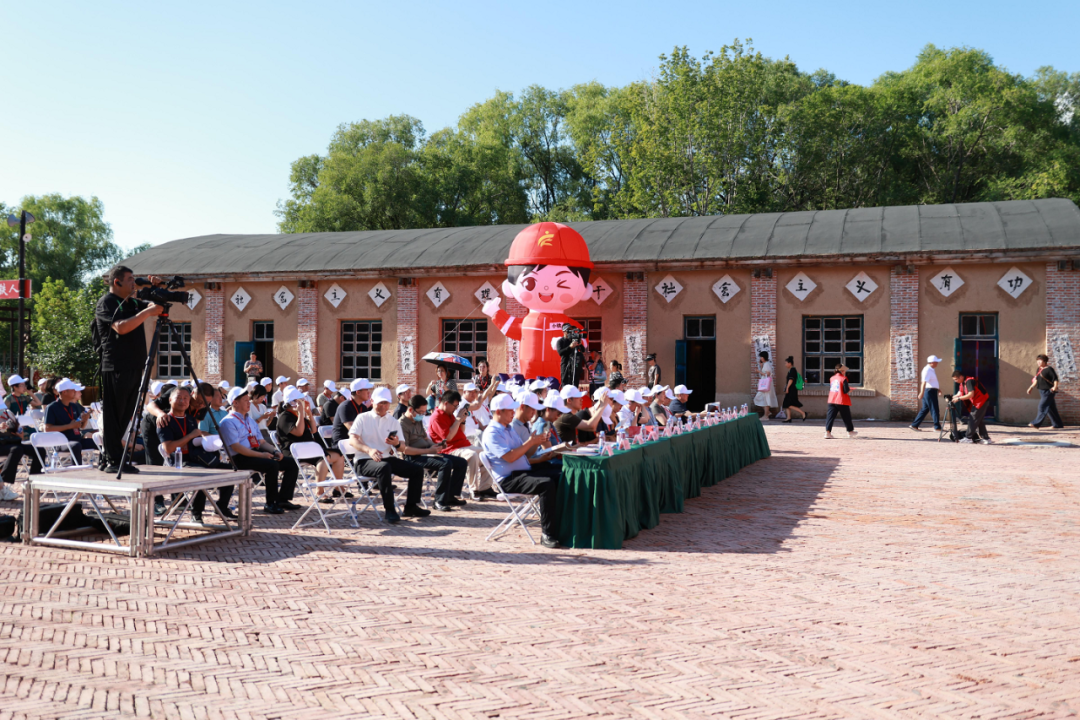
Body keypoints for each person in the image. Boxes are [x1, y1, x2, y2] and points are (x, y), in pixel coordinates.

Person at [92, 266, 167, 473]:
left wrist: (156, 289)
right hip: (116, 365)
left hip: (135, 365)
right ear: (117, 282)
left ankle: (111, 456)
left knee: (126, 414)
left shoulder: (132, 302)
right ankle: (113, 459)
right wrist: (147, 311)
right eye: (130, 279)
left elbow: (156, 307)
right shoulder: (107, 303)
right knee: (114, 414)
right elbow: (121, 327)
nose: (134, 283)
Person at [480, 394, 562, 548]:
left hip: (522, 473)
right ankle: (547, 534)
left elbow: (524, 454)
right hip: (508, 479)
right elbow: (510, 457)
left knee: (559, 474)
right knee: (546, 484)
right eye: (510, 409)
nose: (513, 412)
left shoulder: (508, 428)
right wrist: (531, 442)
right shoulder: (492, 433)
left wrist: (538, 441)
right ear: (499, 411)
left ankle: (562, 524)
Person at [347, 387, 429, 523]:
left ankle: (411, 506)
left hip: (386, 458)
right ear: (372, 401)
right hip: (364, 460)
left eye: (386, 403)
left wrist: (396, 443)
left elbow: (402, 447)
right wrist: (369, 450)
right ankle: (390, 509)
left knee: (417, 469)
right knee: (384, 467)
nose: (384, 406)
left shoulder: (393, 421)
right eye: (381, 403)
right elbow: (352, 439)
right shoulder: (362, 418)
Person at [157, 385, 231, 523]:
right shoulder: (165, 420)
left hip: (195, 458)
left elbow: (193, 440)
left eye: (186, 398)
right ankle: (196, 515)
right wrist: (191, 436)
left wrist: (207, 442)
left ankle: (222, 507)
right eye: (179, 398)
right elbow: (168, 448)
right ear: (170, 400)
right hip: (179, 462)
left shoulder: (191, 419)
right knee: (202, 474)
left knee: (230, 471)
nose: (183, 401)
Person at [220, 386, 299, 514]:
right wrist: (261, 455)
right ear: (235, 402)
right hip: (239, 458)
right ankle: (270, 503)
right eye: (245, 400)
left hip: (255, 453)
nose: (249, 403)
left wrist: (275, 451)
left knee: (290, 463)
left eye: (248, 400)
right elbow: (237, 447)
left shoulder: (250, 420)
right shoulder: (228, 422)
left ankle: (283, 499)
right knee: (272, 465)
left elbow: (261, 442)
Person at [399, 394, 468, 511]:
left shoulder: (417, 420)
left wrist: (436, 445)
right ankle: (439, 500)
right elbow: (405, 449)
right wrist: (428, 450)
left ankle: (450, 495)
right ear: (410, 409)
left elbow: (425, 438)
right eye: (420, 412)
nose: (422, 415)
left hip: (427, 452)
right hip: (413, 457)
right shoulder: (401, 423)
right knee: (445, 464)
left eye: (424, 412)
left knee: (461, 462)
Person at [276, 386, 345, 500]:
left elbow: (313, 430)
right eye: (300, 401)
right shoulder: (285, 417)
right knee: (323, 458)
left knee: (338, 456)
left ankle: (338, 488)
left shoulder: (299, 415)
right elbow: (298, 432)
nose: (304, 402)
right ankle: (320, 492)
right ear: (293, 403)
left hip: (308, 449)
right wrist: (301, 413)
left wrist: (308, 414)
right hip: (294, 451)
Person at [428, 390, 495, 498]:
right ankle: (474, 490)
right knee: (471, 455)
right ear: (446, 403)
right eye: (454, 406)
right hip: (449, 449)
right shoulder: (436, 417)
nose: (456, 409)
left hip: (463, 445)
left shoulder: (449, 414)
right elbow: (448, 437)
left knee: (487, 453)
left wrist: (462, 421)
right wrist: (458, 419)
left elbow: (461, 431)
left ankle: (485, 487)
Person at [43, 378, 97, 464]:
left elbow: (80, 426)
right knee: (76, 445)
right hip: (61, 443)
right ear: (64, 392)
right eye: (72, 390)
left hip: (77, 439)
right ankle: (76, 470)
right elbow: (47, 429)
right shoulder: (52, 407)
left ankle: (105, 464)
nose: (75, 391)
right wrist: (69, 426)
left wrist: (84, 420)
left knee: (101, 441)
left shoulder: (73, 406)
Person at [952, 370, 992, 444]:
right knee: (979, 420)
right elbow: (960, 393)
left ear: (961, 377)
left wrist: (958, 399)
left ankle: (968, 438)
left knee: (972, 418)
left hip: (981, 401)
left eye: (956, 379)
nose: (955, 381)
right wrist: (952, 397)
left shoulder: (969, 381)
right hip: (978, 401)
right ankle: (986, 439)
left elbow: (971, 394)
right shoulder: (962, 383)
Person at [1026, 354, 1064, 429]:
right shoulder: (1039, 369)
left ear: (1045, 361)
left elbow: (1055, 379)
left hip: (1049, 391)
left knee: (1042, 406)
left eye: (1040, 360)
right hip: (1042, 391)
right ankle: (1057, 424)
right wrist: (1031, 387)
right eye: (1037, 361)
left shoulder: (1049, 369)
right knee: (1051, 408)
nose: (1038, 362)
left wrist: (1055, 387)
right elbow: (1036, 380)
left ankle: (1036, 423)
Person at [332, 378, 373, 447]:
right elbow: (353, 430)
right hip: (343, 444)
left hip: (357, 441)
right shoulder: (345, 406)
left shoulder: (363, 407)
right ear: (358, 392)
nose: (369, 393)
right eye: (366, 390)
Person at [824, 364, 857, 439]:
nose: (845, 372)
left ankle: (827, 432)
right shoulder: (843, 378)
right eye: (844, 370)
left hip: (832, 399)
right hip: (841, 399)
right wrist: (850, 390)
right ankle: (850, 431)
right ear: (842, 371)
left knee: (830, 417)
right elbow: (845, 390)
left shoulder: (832, 378)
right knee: (846, 417)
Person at [909, 355, 942, 432]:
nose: (937, 363)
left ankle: (914, 425)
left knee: (925, 409)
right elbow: (923, 382)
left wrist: (938, 389)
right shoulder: (927, 370)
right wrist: (921, 392)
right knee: (934, 409)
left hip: (931, 391)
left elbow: (932, 382)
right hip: (929, 391)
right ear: (932, 362)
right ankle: (937, 427)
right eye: (936, 362)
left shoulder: (931, 369)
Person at [555, 324, 588, 390]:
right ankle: (565, 400)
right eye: (568, 331)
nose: (570, 332)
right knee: (565, 386)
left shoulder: (574, 340)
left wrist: (580, 344)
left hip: (575, 366)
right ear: (564, 331)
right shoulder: (560, 341)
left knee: (575, 386)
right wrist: (570, 347)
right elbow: (560, 352)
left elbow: (583, 350)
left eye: (571, 330)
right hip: (565, 365)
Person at [781, 356, 807, 422]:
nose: (785, 364)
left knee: (788, 404)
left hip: (791, 390)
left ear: (790, 363)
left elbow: (791, 380)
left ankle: (803, 413)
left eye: (786, 363)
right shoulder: (791, 370)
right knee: (786, 404)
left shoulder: (793, 370)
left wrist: (787, 388)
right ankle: (788, 418)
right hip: (791, 389)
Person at [754, 351, 778, 419]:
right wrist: (761, 367)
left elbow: (767, 374)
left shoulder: (767, 364)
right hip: (765, 384)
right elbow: (765, 373)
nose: (761, 358)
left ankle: (766, 416)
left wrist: (759, 371)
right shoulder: (765, 364)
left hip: (766, 385)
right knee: (760, 398)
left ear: (764, 357)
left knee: (766, 399)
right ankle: (767, 412)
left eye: (761, 357)